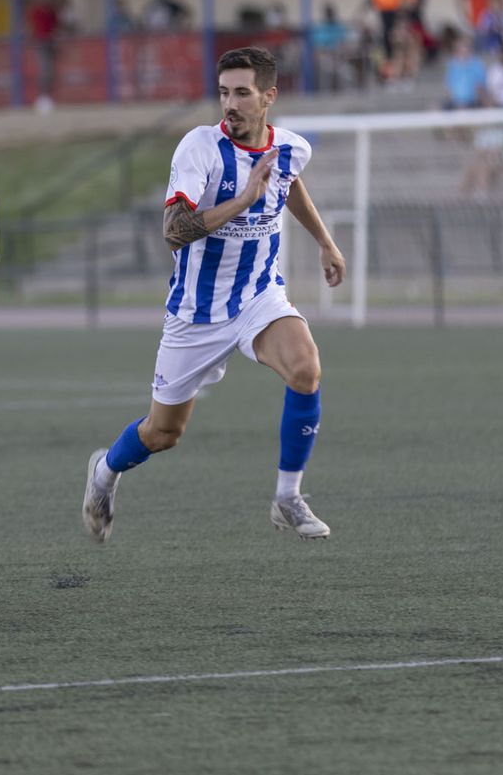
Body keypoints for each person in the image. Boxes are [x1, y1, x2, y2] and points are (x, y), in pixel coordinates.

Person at [81, 46, 346, 543]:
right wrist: (243, 198)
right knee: (163, 434)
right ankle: (104, 473)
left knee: (306, 369)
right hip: (196, 313)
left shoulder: (290, 147)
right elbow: (174, 231)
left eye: (242, 93)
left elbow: (288, 184)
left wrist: (326, 242)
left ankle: (288, 497)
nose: (230, 103)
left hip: (258, 296)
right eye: (224, 92)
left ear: (268, 96)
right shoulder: (199, 148)